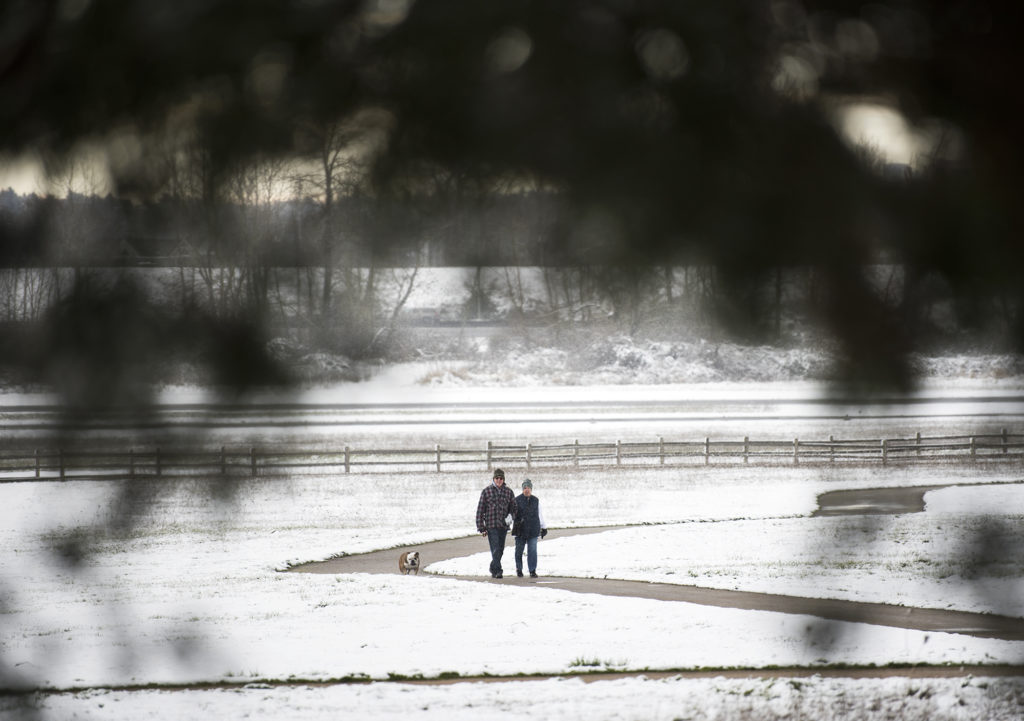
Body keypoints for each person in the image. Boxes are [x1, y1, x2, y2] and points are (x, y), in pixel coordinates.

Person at [475, 468, 517, 578]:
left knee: (501, 549)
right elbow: (480, 510)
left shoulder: (509, 492)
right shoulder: (486, 491)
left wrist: (511, 516)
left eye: (501, 478)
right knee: (495, 548)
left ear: (503, 480)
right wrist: (481, 527)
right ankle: (498, 571)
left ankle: (493, 567)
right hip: (491, 525)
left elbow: (514, 508)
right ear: (493, 479)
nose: (499, 480)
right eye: (497, 478)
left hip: (503, 526)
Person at [512, 478, 547, 578]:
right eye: (525, 488)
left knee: (532, 551)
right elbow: (513, 514)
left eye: (528, 488)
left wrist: (543, 527)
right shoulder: (516, 500)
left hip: (533, 529)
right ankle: (519, 569)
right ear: (522, 489)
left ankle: (532, 570)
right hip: (520, 530)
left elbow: (540, 515)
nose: (526, 490)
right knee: (519, 550)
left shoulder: (536, 500)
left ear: (531, 489)